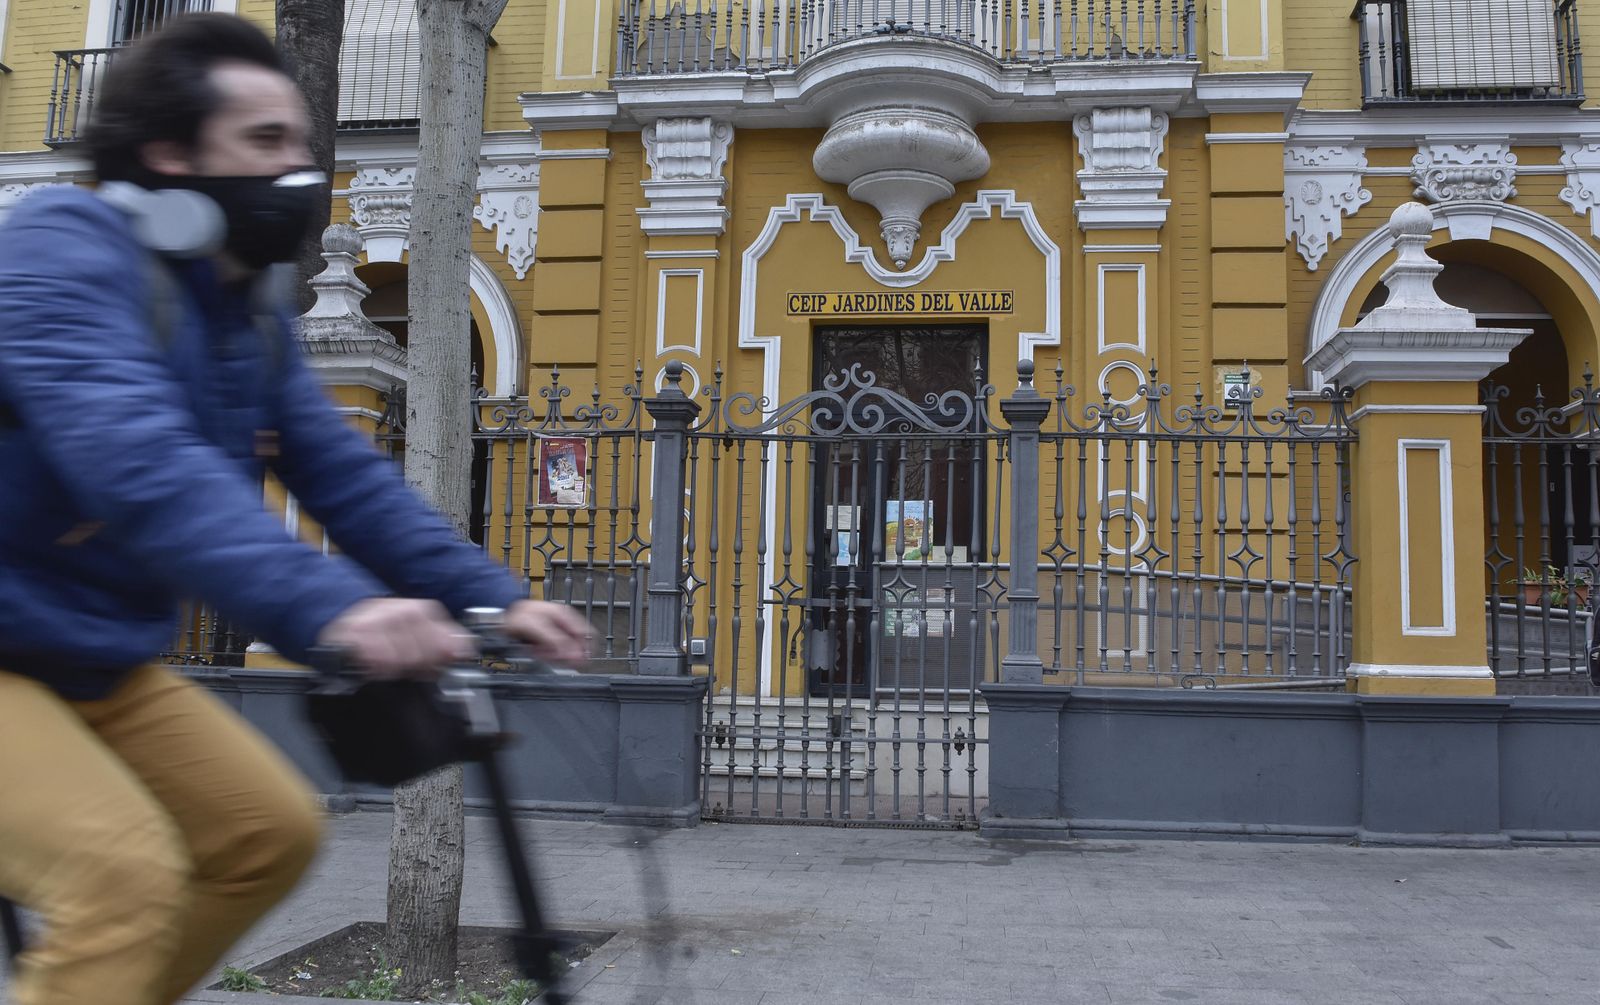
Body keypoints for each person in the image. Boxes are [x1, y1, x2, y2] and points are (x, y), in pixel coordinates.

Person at [0, 14, 593, 1005]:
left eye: (304, 148)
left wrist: (492, 598)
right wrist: (333, 612)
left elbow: (347, 479)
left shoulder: (239, 315)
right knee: (122, 874)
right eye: (265, 143)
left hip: (85, 657)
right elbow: (141, 463)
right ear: (169, 155)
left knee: (266, 833)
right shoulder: (60, 255)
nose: (302, 171)